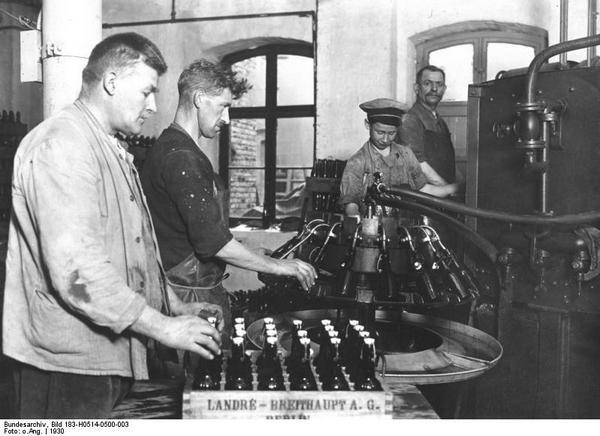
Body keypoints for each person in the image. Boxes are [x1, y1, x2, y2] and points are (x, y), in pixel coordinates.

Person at [2, 33, 223, 419]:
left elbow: (134, 251)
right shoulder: (62, 145)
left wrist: (176, 306)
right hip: (66, 365)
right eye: (147, 92)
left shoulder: (108, 147)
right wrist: (163, 329)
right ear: (112, 82)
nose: (154, 107)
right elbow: (78, 272)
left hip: (106, 354)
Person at [140, 59, 317, 347]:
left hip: (190, 291)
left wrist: (251, 250)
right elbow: (213, 244)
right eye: (223, 106)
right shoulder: (181, 157)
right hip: (189, 297)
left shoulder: (175, 148)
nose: (227, 118)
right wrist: (279, 266)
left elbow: (195, 232)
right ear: (199, 98)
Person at [340, 98, 458, 217]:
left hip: (405, 226)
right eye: (380, 132)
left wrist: (451, 189)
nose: (385, 139)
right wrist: (356, 218)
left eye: (391, 133)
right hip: (373, 229)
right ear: (367, 124)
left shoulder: (406, 154)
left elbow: (422, 189)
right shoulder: (357, 162)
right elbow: (350, 203)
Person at [399, 65, 460, 185]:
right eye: (427, 83)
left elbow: (448, 163)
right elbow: (418, 164)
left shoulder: (440, 121)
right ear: (416, 88)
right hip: (423, 196)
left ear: (444, 89)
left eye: (439, 84)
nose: (434, 89)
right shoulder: (410, 119)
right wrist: (448, 190)